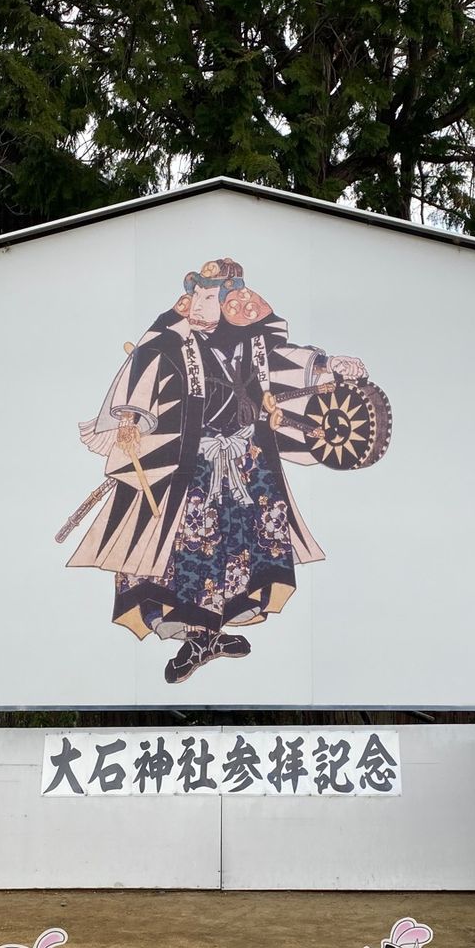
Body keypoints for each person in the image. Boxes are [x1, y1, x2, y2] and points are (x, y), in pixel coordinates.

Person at [67, 257, 368, 683]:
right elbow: (144, 365)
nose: (200, 305)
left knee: (242, 546)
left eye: (212, 296)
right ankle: (199, 635)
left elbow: (285, 362)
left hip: (247, 460)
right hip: (188, 463)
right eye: (198, 295)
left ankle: (210, 633)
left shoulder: (253, 341)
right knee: (188, 548)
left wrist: (328, 364)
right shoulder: (172, 337)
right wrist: (132, 419)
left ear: (231, 301)